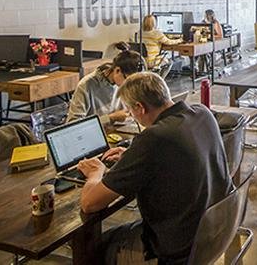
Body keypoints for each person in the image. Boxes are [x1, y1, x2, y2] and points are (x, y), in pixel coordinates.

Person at [78, 72, 233, 265]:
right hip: (217, 230)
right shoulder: (202, 113)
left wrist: (95, 173)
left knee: (92, 248)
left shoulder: (153, 139)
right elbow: (174, 153)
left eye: (130, 111)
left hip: (180, 250)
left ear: (140, 108)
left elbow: (89, 203)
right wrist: (131, 154)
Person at [65, 42, 145, 124]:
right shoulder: (86, 85)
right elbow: (73, 124)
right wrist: (111, 118)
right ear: (117, 70)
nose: (130, 86)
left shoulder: (125, 83)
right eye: (128, 80)